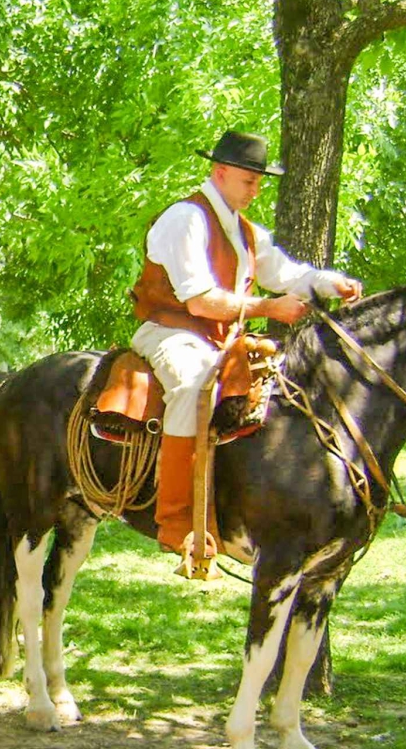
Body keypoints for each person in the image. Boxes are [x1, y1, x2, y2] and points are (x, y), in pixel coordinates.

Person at [131, 129, 362, 563]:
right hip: (171, 331)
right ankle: (178, 521)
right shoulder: (186, 219)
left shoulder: (247, 232)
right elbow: (199, 300)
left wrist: (332, 283)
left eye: (259, 182)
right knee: (193, 385)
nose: (256, 190)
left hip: (218, 340)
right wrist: (267, 308)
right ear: (220, 173)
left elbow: (288, 274)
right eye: (248, 180)